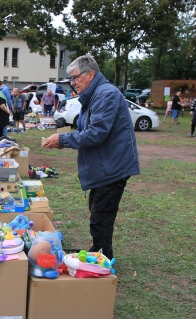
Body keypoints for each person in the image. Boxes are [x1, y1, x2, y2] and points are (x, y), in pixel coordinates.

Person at [41, 54, 140, 260]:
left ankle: (101, 260)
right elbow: (89, 132)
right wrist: (66, 141)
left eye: (75, 77)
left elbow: (96, 133)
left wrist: (63, 140)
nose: (72, 82)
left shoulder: (105, 94)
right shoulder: (95, 95)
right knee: (98, 215)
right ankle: (100, 253)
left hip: (112, 168)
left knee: (101, 218)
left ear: (91, 74)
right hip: (105, 167)